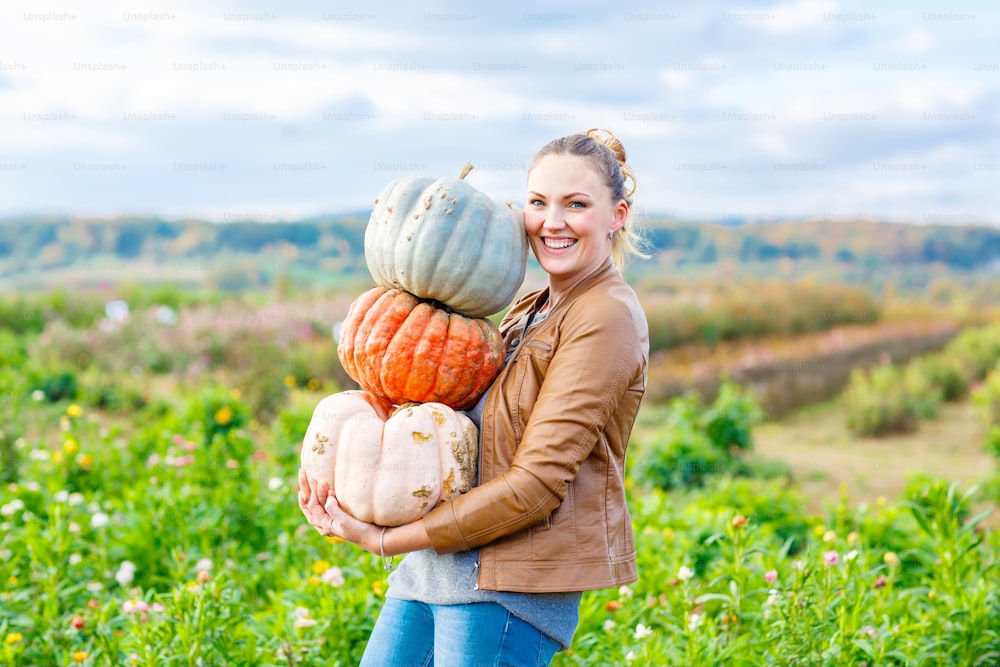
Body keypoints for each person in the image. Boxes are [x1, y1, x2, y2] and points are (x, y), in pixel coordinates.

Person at [298, 128, 650, 666]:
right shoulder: (526, 310)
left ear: (616, 215)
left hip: (505, 590)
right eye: (538, 203)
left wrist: (388, 540)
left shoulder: (605, 317)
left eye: (576, 204)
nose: (552, 222)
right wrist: (351, 465)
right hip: (433, 571)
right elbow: (445, 428)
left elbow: (538, 484)